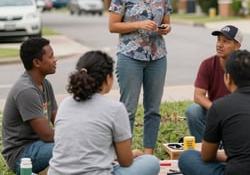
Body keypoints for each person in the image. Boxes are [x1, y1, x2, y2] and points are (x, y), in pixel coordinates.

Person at [179, 50, 250, 175]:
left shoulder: (220, 106)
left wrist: (228, 156)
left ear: (228, 78)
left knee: (187, 157)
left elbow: (207, 156)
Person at [48, 50, 159, 175]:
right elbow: (125, 162)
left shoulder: (65, 104)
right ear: (108, 79)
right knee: (151, 162)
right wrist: (135, 154)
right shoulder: (115, 109)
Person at [108, 0, 172, 155]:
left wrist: (166, 29)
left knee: (153, 110)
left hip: (157, 57)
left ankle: (148, 153)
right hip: (130, 57)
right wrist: (139, 25)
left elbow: (167, 24)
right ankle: (124, 153)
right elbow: (113, 26)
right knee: (128, 108)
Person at [185, 25, 250, 142]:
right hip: (215, 112)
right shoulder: (207, 64)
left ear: (237, 46)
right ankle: (205, 148)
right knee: (193, 111)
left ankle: (230, 147)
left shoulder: (248, 66)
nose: (219, 45)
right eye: (218, 40)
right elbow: (198, 96)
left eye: (225, 41)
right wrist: (216, 109)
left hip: (239, 115)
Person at [1, 37, 57, 174]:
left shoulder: (45, 84)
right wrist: (77, 140)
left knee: (75, 149)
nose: (55, 60)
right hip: (22, 155)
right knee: (71, 150)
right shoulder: (26, 90)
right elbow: (47, 135)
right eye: (51, 56)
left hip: (40, 146)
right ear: (37, 62)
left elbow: (59, 120)